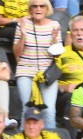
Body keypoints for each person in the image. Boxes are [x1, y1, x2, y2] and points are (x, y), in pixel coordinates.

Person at [12, 0, 62, 130]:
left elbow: (57, 56)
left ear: (47, 9)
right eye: (35, 6)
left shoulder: (54, 25)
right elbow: (16, 53)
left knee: (49, 110)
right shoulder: (23, 24)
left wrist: (54, 41)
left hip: (47, 73)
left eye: (42, 6)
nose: (38, 9)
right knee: (27, 108)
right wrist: (23, 35)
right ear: (30, 9)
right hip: (26, 70)